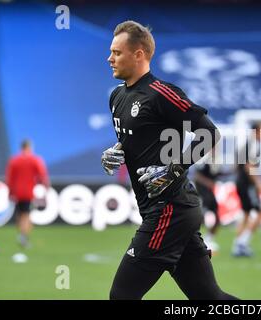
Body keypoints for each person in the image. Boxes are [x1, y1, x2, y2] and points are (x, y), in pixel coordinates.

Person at [104, 20, 237, 300]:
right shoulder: (117, 97)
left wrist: (175, 167)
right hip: (172, 209)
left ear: (138, 54)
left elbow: (209, 133)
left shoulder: (162, 93)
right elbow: (142, 139)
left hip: (169, 210)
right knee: (209, 298)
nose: (110, 58)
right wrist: (117, 150)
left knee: (121, 297)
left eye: (117, 52)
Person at [5, 139, 49, 248]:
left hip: (17, 192)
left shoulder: (14, 160)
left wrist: (10, 191)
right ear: (29, 147)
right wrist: (45, 186)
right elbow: (42, 174)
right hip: (28, 192)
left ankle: (22, 234)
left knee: (20, 214)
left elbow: (9, 177)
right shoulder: (34, 159)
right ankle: (23, 237)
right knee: (26, 215)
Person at [231, 122, 261, 257]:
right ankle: (242, 243)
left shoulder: (245, 144)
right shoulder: (253, 145)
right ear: (256, 131)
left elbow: (236, 166)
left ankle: (237, 246)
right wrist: (257, 182)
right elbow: (248, 166)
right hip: (247, 184)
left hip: (240, 182)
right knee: (260, 212)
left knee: (246, 213)